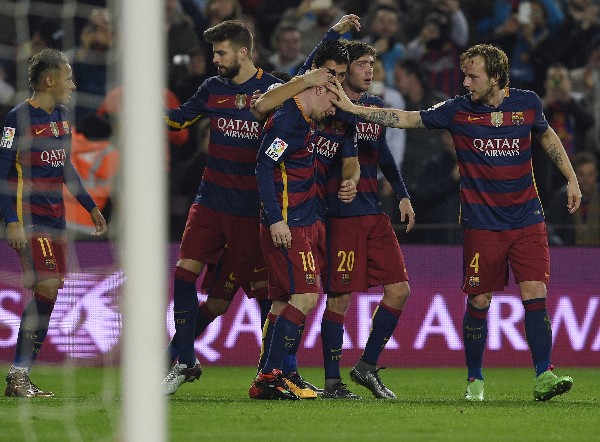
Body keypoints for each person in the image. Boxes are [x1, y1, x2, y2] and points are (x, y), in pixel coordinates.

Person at [327, 43, 582, 402]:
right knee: (479, 300)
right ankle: (475, 380)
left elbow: (546, 135)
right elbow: (408, 118)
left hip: (528, 219)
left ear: (495, 77)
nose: (465, 82)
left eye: (472, 75)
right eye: (464, 74)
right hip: (481, 224)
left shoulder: (527, 103)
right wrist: (354, 109)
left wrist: (571, 177)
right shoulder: (457, 110)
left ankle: (544, 375)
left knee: (535, 294)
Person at [161, 19, 282, 395]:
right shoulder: (213, 89)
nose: (215, 59)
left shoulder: (273, 89)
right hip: (210, 201)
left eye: (221, 52)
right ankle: (183, 359)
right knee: (183, 275)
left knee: (257, 293)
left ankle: (270, 372)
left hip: (251, 211)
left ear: (243, 52)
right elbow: (178, 120)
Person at [251, 16, 362, 399]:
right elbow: (264, 166)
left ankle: (275, 373)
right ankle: (270, 376)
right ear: (316, 87)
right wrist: (276, 219)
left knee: (285, 301)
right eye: (333, 97)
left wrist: (334, 33)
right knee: (306, 297)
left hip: (306, 218)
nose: (335, 107)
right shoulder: (289, 122)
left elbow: (311, 67)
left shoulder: (303, 113)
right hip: (290, 224)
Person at [0, 48, 107, 397]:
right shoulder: (16, 118)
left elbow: (65, 167)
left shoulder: (61, 116)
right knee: (46, 287)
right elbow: (2, 173)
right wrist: (12, 221)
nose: (73, 84)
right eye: (68, 77)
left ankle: (21, 375)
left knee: (49, 293)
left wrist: (90, 206)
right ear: (50, 79)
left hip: (56, 219)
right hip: (29, 219)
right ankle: (17, 374)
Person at [547, 152, 599, 245]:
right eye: (582, 174)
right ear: (574, 175)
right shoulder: (561, 198)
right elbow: (555, 227)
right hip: (569, 251)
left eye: (590, 174)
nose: (586, 180)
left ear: (596, 175)